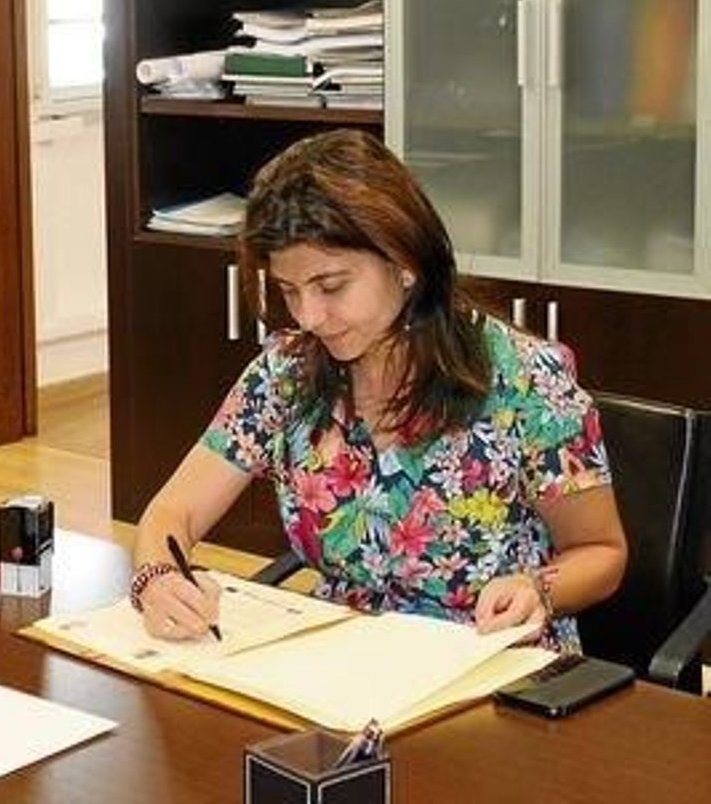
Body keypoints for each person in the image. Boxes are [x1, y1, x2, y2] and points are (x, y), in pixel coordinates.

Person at [131, 130, 626, 653]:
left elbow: (601, 552)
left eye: (331, 286)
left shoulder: (527, 381)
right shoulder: (285, 375)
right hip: (344, 666)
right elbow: (172, 515)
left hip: (492, 669)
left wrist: (538, 589)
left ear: (404, 260)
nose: (309, 317)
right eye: (289, 291)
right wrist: (158, 577)